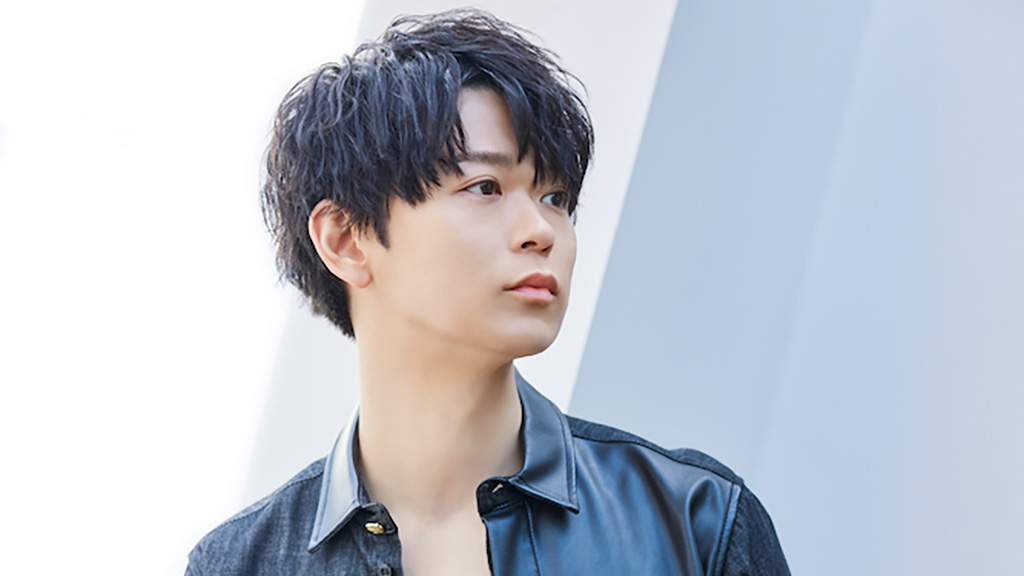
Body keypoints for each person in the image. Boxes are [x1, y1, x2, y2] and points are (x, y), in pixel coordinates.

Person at [186, 9, 789, 576]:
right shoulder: (239, 562)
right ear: (345, 238)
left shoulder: (696, 520)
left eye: (555, 197)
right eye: (485, 187)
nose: (540, 231)